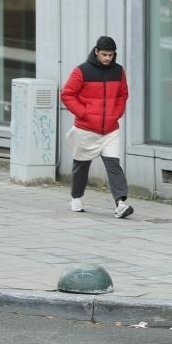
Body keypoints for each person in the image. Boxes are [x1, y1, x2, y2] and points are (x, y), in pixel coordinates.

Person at [60, 36, 133, 219]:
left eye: (111, 55)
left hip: (110, 129)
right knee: (81, 165)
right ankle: (76, 197)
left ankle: (120, 204)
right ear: (96, 52)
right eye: (104, 54)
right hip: (86, 129)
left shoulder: (118, 71)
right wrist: (84, 113)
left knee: (113, 165)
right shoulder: (81, 71)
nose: (108, 58)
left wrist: (116, 114)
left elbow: (123, 95)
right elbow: (67, 94)